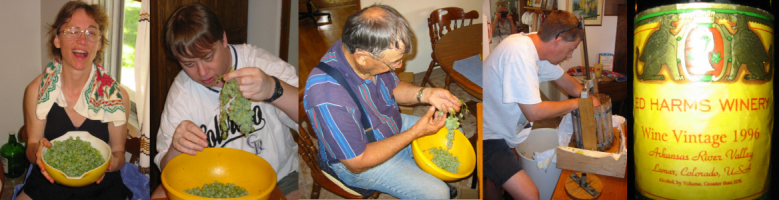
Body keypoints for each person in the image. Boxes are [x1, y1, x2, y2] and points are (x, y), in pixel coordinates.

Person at [303, 5, 464, 199]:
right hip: (360, 160)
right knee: (438, 194)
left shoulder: (361, 49)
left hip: (387, 124)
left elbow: (394, 88)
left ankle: (421, 171)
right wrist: (414, 133)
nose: (400, 66)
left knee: (453, 131)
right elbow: (357, 162)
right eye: (394, 62)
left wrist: (427, 93)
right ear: (362, 58)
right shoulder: (327, 96)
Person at [151, 2, 300, 199]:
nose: (202, 72)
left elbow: (311, 120)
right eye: (189, 64)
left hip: (279, 177)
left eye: (208, 57)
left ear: (223, 39)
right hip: (214, 184)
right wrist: (176, 147)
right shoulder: (182, 92)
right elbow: (167, 167)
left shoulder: (260, 63)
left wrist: (273, 89)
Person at [20, 1, 133, 200]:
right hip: (48, 183)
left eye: (91, 33)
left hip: (102, 187)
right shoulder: (37, 90)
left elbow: (118, 152)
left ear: (99, 44)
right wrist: (37, 151)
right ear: (57, 40)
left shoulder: (117, 97)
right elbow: (32, 146)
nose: (82, 40)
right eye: (72, 31)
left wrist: (112, 163)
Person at [482, 10, 599, 200]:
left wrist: (588, 95)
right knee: (530, 194)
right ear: (557, 40)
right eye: (571, 49)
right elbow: (533, 112)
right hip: (488, 135)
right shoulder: (519, 53)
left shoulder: (536, 49)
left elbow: (566, 81)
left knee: (495, 179)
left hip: (503, 130)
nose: (569, 56)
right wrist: (577, 103)